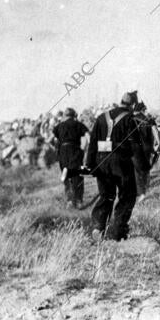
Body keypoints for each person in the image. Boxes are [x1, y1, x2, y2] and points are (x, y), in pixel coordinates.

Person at [85, 93, 138, 241]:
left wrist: (91, 165)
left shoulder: (101, 117)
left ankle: (98, 228)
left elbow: (93, 143)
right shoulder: (130, 119)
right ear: (132, 105)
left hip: (101, 162)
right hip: (121, 163)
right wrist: (144, 166)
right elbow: (136, 147)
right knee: (127, 196)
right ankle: (118, 231)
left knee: (106, 196)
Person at [53, 107, 89, 207]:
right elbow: (88, 137)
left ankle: (69, 200)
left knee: (66, 176)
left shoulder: (59, 126)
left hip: (63, 151)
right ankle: (78, 201)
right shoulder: (78, 124)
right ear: (74, 116)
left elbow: (54, 140)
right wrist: (84, 148)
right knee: (78, 175)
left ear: (65, 116)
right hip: (75, 150)